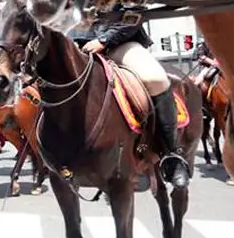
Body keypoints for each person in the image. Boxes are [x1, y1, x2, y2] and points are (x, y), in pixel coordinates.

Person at [74, 19, 190, 188]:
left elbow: (133, 16)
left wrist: (103, 40)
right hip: (77, 45)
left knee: (155, 79)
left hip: (120, 43)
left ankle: (171, 155)